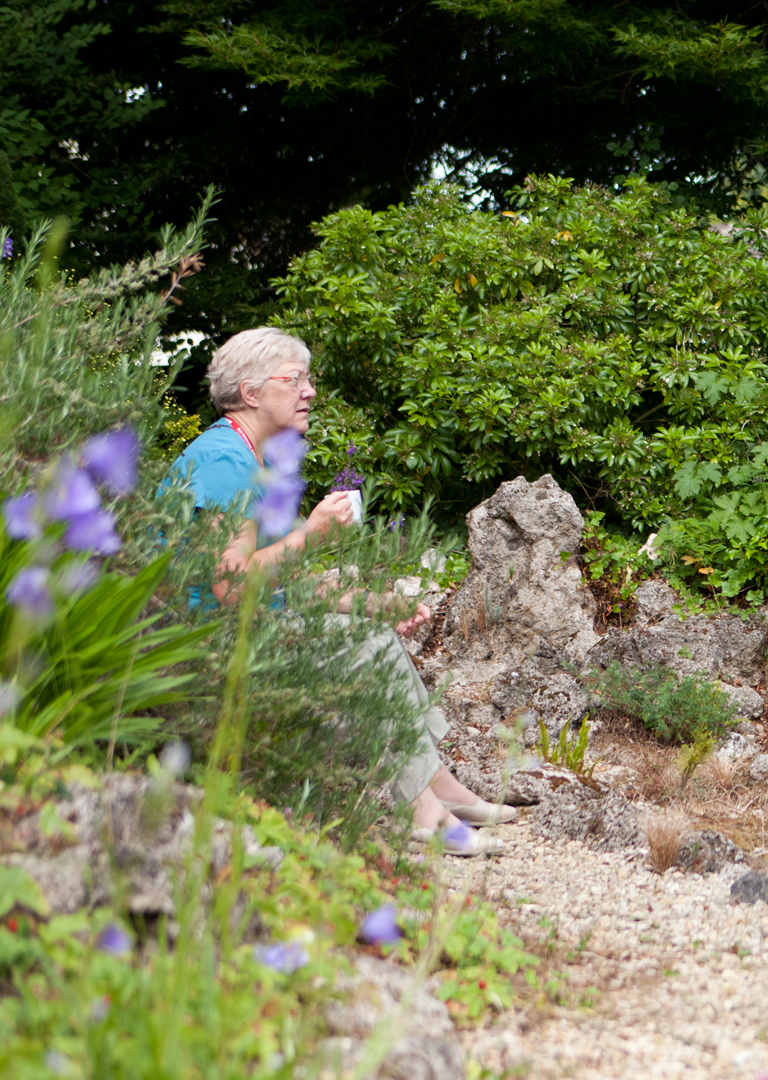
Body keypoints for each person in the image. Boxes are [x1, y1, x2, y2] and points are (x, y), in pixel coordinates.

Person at [167, 327, 514, 855]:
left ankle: (441, 787)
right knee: (363, 647)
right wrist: (310, 535)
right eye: (295, 379)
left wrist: (366, 603)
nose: (309, 391)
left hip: (235, 626)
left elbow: (274, 584)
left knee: (370, 628)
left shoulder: (252, 456)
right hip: (199, 642)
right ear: (252, 392)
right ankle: (422, 813)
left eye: (309, 379)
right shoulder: (223, 462)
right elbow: (233, 587)